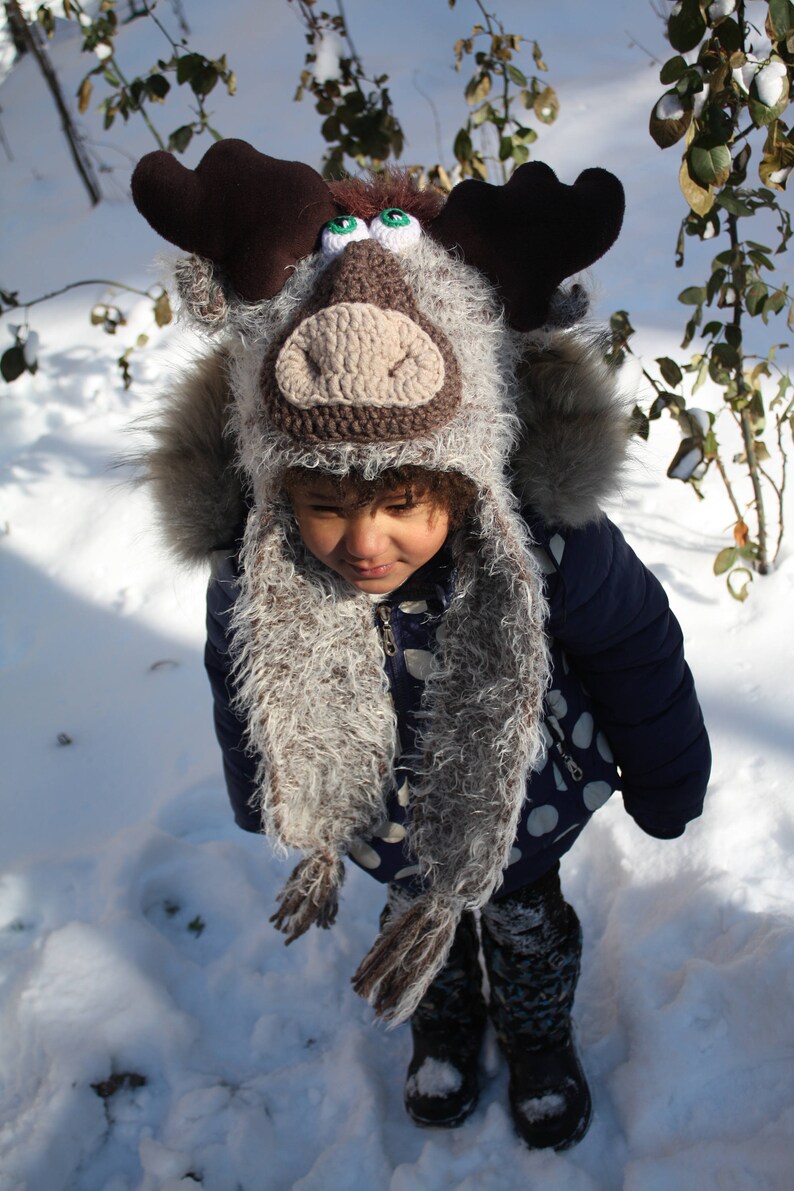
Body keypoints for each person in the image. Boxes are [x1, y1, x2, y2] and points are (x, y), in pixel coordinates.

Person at [132, 139, 711, 1152]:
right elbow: (245, 680)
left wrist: (666, 773)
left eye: (403, 501)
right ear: (276, 487)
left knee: (526, 930)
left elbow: (634, 648)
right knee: (420, 926)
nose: (364, 543)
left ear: (462, 471)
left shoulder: (543, 544)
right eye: (322, 503)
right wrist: (264, 786)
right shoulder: (264, 566)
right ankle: (439, 1015)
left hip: (517, 805)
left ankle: (536, 1038)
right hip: (379, 814)